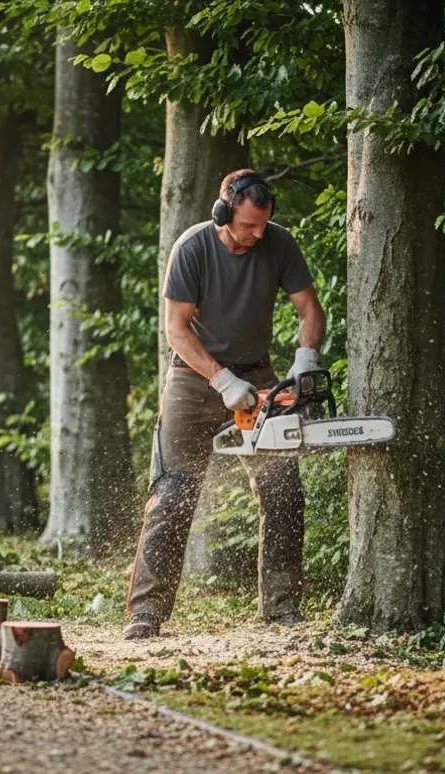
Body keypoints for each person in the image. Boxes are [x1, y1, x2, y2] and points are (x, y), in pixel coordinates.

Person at [123, 169, 326, 640]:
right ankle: (146, 613)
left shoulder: (279, 244)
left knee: (283, 493)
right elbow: (176, 329)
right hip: (194, 380)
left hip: (258, 380)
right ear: (223, 211)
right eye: (248, 225)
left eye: (263, 224)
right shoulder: (192, 248)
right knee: (173, 494)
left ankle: (282, 608)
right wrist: (220, 379)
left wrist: (304, 359)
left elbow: (309, 308)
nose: (257, 234)